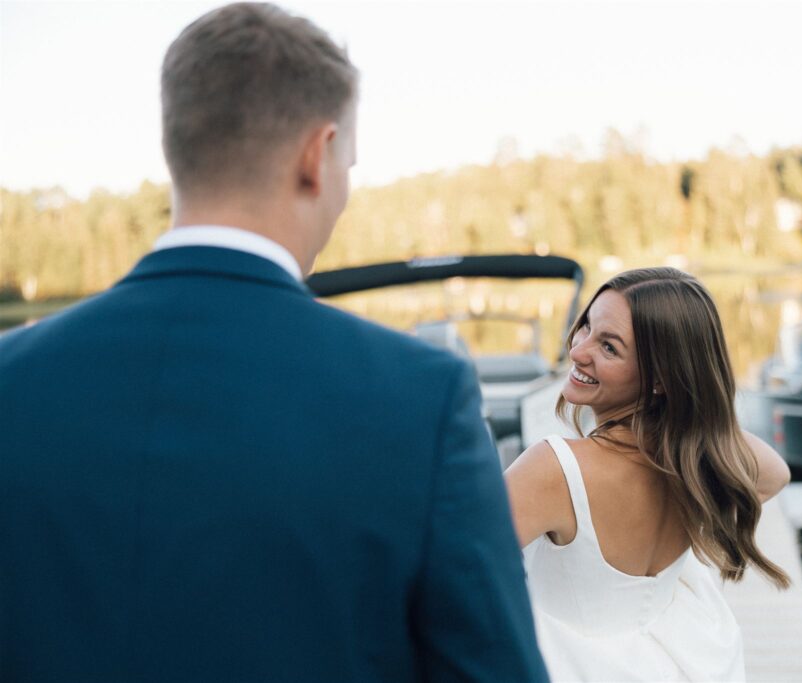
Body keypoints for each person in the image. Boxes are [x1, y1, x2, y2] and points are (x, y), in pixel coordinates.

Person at [0, 4, 547, 682]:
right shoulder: (421, 399)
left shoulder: (11, 380)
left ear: (180, 145)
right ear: (317, 158)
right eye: (349, 161)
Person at [505, 267, 791, 682]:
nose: (580, 351)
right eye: (586, 326)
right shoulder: (692, 462)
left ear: (660, 379)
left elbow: (453, 564)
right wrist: (694, 421)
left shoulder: (556, 468)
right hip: (675, 661)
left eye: (609, 347)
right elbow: (774, 473)